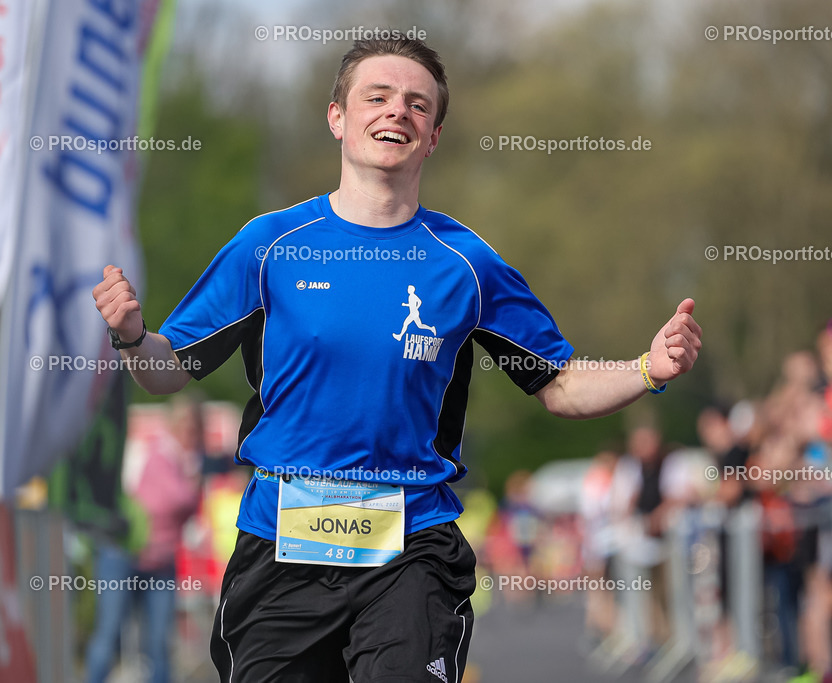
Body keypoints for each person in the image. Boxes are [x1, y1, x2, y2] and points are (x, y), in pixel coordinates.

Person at [92, 37, 702, 683]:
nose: (396, 112)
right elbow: (167, 370)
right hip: (282, 543)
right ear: (337, 118)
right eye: (377, 97)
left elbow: (560, 384)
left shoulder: (467, 263)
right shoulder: (269, 246)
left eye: (417, 104)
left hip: (412, 545)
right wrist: (131, 336)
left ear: (432, 136)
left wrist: (646, 368)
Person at [85, 395, 203, 683]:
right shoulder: (160, 451)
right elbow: (171, 501)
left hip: (160, 560)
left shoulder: (188, 461)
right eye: (185, 424)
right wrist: (191, 490)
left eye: (194, 426)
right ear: (175, 423)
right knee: (109, 635)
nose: (189, 431)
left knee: (159, 644)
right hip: (122, 553)